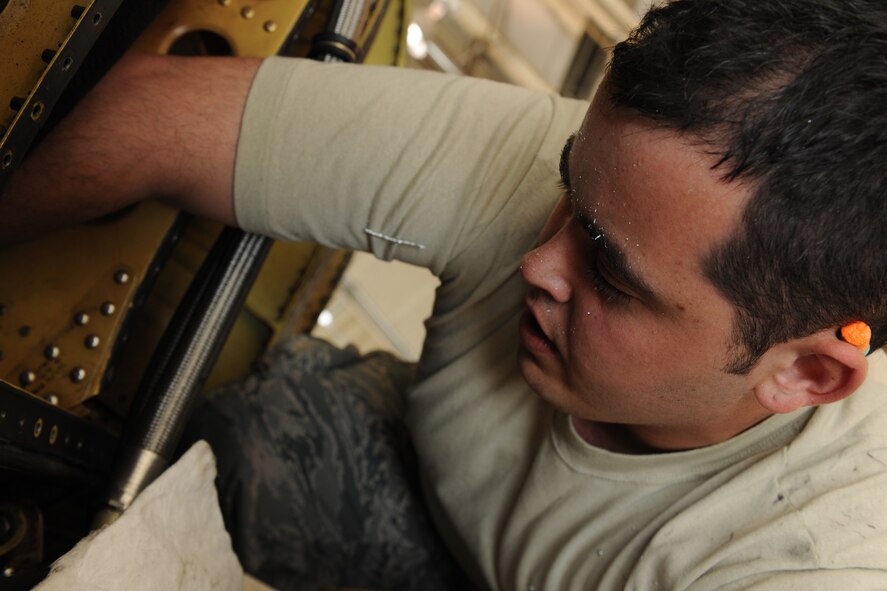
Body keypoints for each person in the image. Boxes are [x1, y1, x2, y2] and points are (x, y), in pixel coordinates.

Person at [2, 0, 885, 589]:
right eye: (566, 195)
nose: (539, 261)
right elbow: (154, 118)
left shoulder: (818, 558)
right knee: (273, 428)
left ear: (803, 374)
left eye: (609, 275)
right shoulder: (613, 185)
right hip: (434, 514)